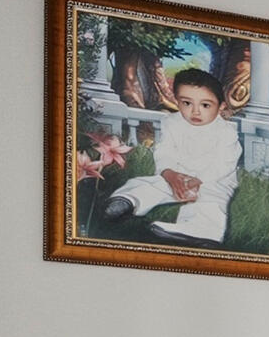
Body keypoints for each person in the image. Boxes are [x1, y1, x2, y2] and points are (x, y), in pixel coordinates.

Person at [102, 66, 241, 243]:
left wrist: (197, 181)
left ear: (221, 106)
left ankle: (201, 230)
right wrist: (170, 174)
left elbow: (223, 165)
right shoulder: (172, 123)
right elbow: (164, 151)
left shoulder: (226, 132)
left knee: (209, 197)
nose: (195, 111)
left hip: (213, 180)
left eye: (205, 105)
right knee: (148, 183)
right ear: (177, 101)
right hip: (178, 174)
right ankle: (126, 201)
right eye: (186, 103)